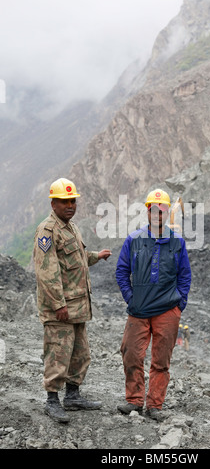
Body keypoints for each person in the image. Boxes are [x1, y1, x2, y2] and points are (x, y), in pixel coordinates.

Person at [33, 177, 112, 423]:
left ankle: (73, 395)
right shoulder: (47, 231)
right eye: (64, 202)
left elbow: (76, 260)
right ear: (53, 203)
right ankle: (52, 400)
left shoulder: (71, 227)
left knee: (80, 353)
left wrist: (96, 256)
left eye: (73, 201)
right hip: (61, 309)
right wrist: (58, 304)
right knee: (58, 353)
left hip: (77, 306)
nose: (70, 206)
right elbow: (47, 272)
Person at [115, 188, 191, 421]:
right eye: (153, 209)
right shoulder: (134, 240)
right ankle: (134, 400)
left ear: (168, 212)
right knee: (131, 354)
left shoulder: (177, 242)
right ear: (147, 211)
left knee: (161, 361)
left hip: (167, 312)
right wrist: (131, 298)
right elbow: (122, 271)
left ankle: (154, 405)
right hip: (138, 311)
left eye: (163, 209)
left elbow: (184, 276)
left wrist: (178, 305)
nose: (158, 213)